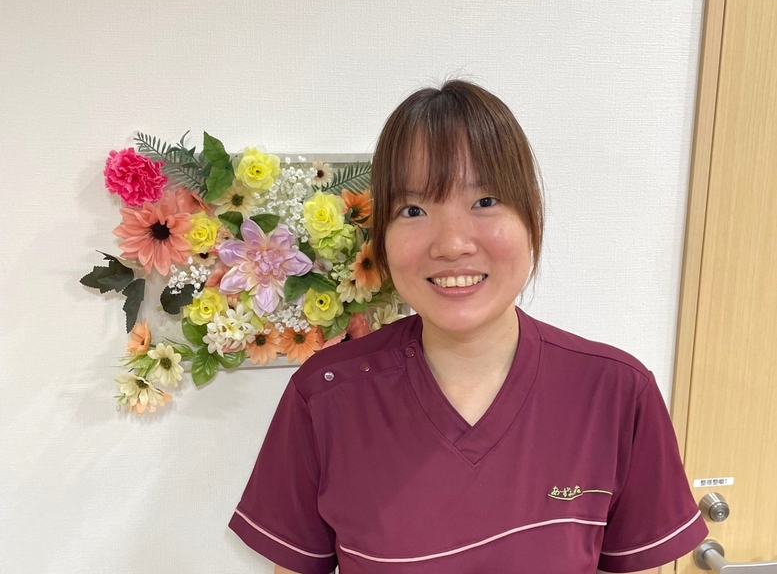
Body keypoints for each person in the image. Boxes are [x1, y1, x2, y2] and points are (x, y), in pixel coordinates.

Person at [228, 80, 707, 573]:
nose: (452, 244)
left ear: (531, 216)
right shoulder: (325, 396)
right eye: (413, 210)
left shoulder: (617, 393)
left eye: (485, 201)